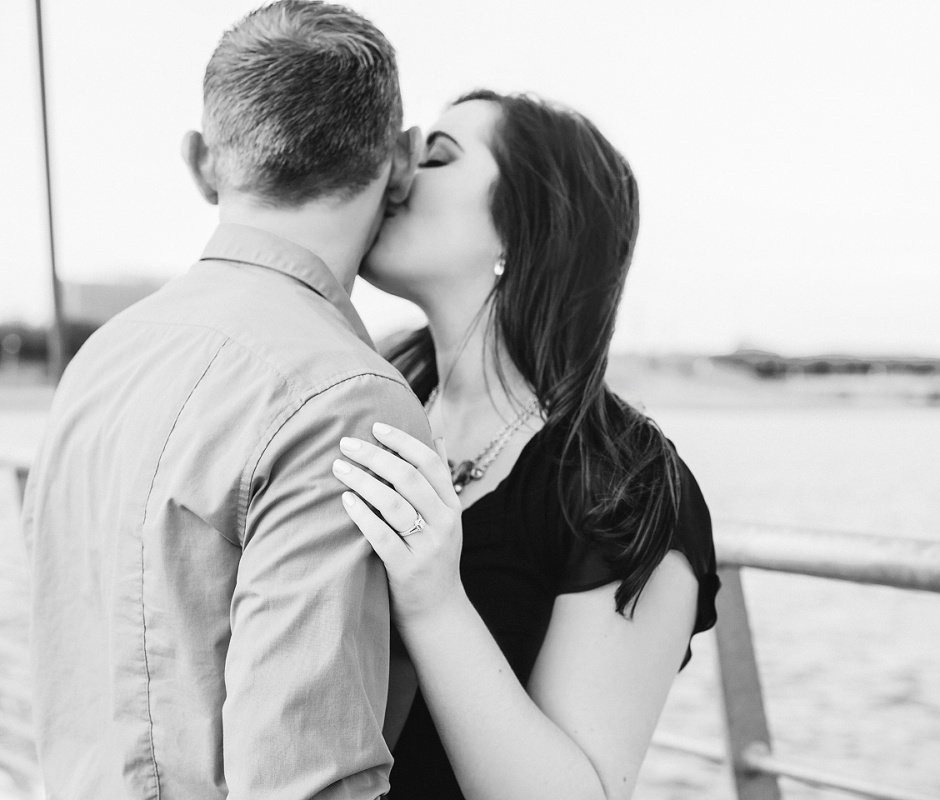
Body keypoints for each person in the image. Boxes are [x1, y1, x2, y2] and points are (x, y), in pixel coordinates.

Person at [20, 3, 428, 797]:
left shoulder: (105, 356)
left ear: (202, 162)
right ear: (403, 163)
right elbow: (307, 778)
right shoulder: (345, 399)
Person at [330, 90, 721, 800]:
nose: (394, 171)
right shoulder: (360, 398)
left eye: (436, 156)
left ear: (522, 225)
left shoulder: (620, 487)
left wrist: (434, 601)